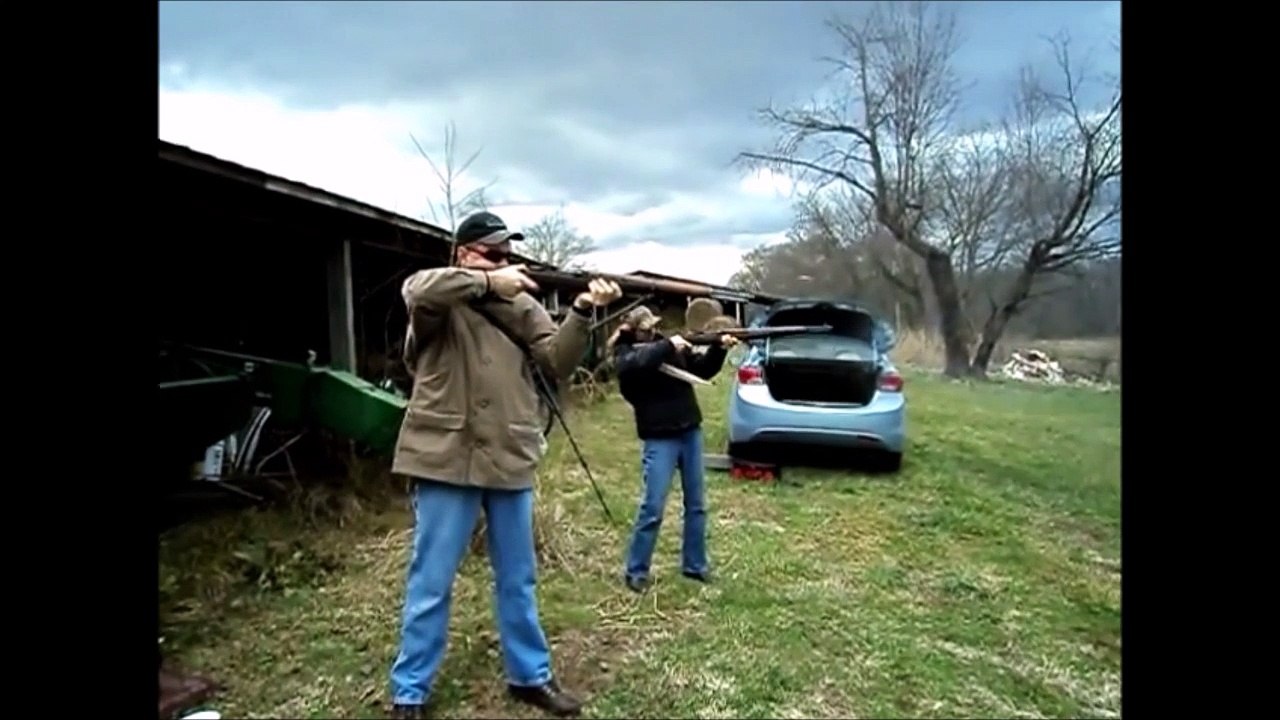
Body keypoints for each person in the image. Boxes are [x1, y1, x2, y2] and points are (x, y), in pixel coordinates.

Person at [388, 210, 622, 719]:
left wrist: (583, 310)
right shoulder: (439, 298)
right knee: (431, 581)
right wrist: (491, 281)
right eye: (493, 254)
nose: (505, 262)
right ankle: (410, 691)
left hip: (510, 452)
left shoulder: (523, 305)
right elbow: (418, 289)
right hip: (446, 456)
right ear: (463, 255)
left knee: (518, 577)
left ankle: (529, 676)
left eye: (507, 256)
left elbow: (558, 361)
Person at [610, 306, 738, 593]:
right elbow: (636, 365)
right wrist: (668, 345)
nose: (653, 331)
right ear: (632, 330)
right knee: (653, 507)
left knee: (697, 505)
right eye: (646, 328)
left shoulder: (666, 346)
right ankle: (636, 570)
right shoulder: (626, 355)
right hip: (659, 436)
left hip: (689, 430)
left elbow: (701, 369)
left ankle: (695, 565)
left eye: (654, 327)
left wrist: (719, 348)